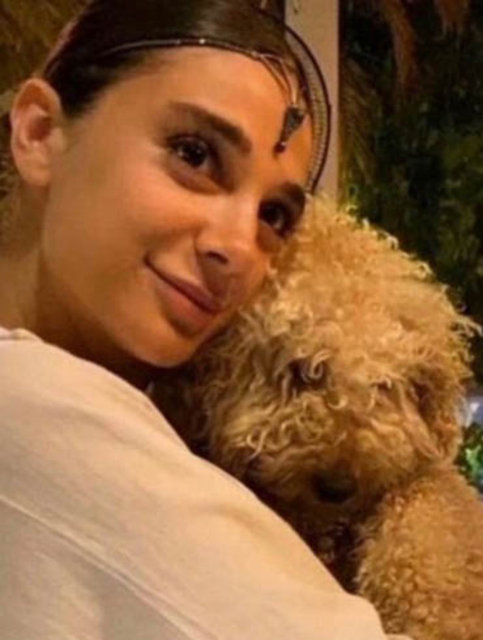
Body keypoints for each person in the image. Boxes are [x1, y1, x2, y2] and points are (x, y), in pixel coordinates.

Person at [0, 1, 410, 638]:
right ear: (38, 132)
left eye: (274, 215)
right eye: (194, 154)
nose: (239, 247)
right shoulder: (32, 405)